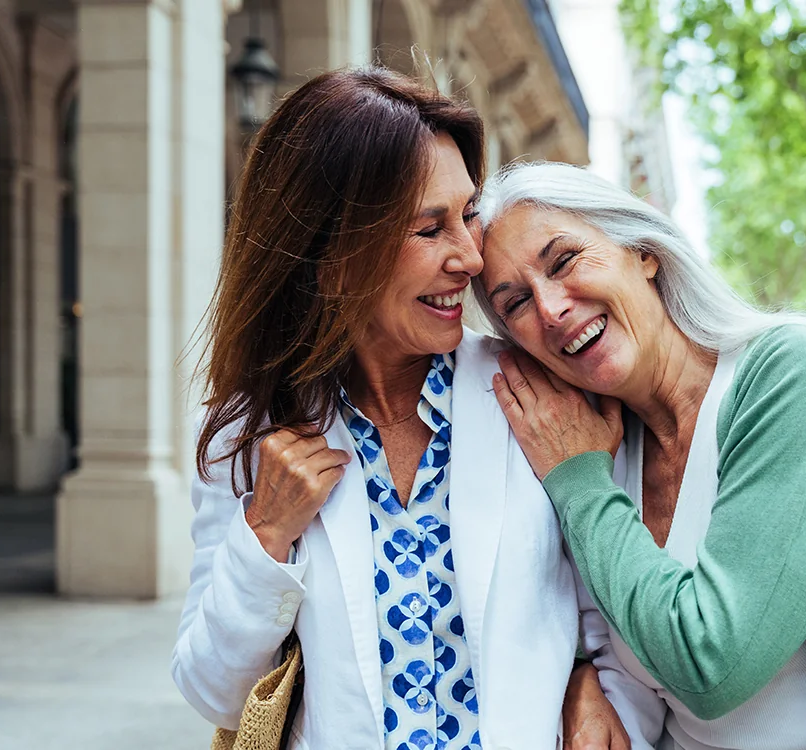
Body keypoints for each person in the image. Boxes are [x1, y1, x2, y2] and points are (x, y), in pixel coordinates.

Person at [171, 70, 631, 750]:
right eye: (429, 228)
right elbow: (212, 691)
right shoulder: (250, 433)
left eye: (466, 214)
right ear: (330, 257)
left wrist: (591, 678)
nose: (470, 258)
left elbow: (614, 609)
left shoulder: (536, 392)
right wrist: (264, 536)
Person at [472, 162, 806, 749]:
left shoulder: (795, 374)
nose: (551, 308)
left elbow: (712, 665)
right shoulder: (600, 442)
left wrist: (579, 484)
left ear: (643, 252)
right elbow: (590, 627)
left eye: (564, 260)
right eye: (516, 301)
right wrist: (580, 675)